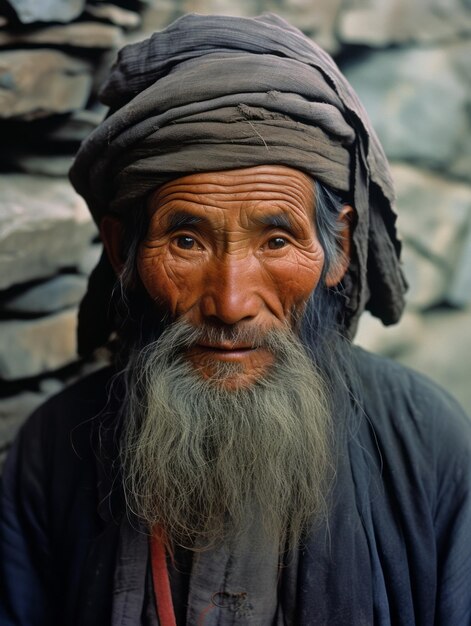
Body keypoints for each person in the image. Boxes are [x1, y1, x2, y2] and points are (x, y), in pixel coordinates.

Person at [1, 13, 470, 626]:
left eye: (276, 241)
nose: (230, 302)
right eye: (187, 241)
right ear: (121, 251)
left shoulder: (427, 443)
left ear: (339, 249)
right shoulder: (54, 450)